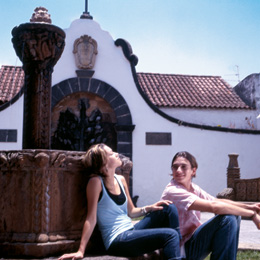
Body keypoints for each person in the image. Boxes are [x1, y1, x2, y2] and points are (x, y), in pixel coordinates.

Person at [59, 143, 182, 260]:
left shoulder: (121, 179)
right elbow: (91, 218)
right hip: (117, 240)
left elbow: (131, 211)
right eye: (111, 153)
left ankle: (179, 248)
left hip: (131, 231)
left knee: (168, 208)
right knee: (170, 235)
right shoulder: (96, 183)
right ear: (104, 163)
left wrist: (150, 207)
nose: (116, 154)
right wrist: (81, 250)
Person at [161, 151, 260, 260]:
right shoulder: (173, 191)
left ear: (193, 170)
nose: (178, 170)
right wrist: (251, 214)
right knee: (227, 219)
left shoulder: (193, 188)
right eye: (175, 167)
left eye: (183, 167)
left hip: (191, 241)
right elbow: (214, 207)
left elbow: (217, 201)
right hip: (180, 250)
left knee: (235, 215)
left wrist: (250, 207)